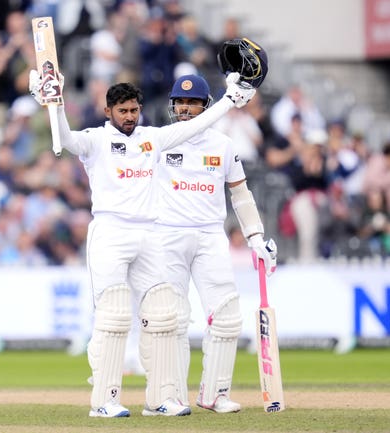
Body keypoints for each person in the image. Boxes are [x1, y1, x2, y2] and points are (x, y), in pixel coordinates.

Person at [29, 66, 256, 417]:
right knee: (115, 315)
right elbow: (66, 140)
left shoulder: (153, 138)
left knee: (164, 315)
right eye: (123, 111)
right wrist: (54, 103)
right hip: (111, 232)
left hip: (150, 234)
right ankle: (105, 400)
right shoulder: (96, 140)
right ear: (109, 112)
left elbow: (195, 126)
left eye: (134, 110)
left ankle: (159, 399)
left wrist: (228, 100)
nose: (130, 117)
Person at [155, 74, 276, 413]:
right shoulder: (161, 140)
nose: (185, 107)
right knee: (172, 319)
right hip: (168, 235)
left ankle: (215, 393)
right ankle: (170, 396)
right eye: (180, 101)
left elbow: (240, 194)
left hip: (210, 236)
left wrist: (255, 237)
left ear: (205, 105)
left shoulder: (223, 146)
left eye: (192, 102)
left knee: (226, 316)